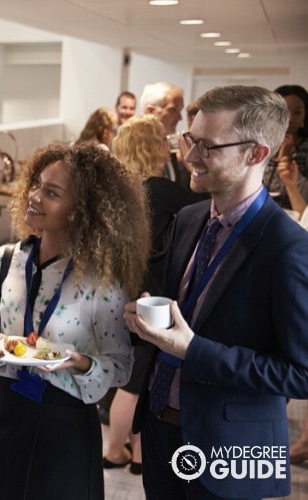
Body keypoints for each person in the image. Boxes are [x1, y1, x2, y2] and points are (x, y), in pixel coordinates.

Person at [125, 85, 308, 499]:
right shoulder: (190, 218)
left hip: (230, 453)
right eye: (190, 140)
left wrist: (195, 351)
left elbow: (301, 373)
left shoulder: (289, 249)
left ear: (256, 154)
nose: (188, 157)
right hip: (159, 432)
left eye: (206, 146)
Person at [0, 143, 150, 499]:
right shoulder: (4, 262)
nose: (34, 196)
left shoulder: (101, 281)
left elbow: (121, 366)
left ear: (81, 210)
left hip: (66, 425)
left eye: (51, 192)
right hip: (7, 414)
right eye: (36, 184)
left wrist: (79, 362)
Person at [106, 115, 207, 476]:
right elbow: (206, 206)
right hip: (153, 293)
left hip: (125, 288)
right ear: (155, 147)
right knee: (138, 381)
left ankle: (126, 451)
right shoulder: (164, 190)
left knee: (134, 377)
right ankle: (123, 451)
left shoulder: (121, 190)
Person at [262, 84, 308, 211]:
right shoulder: (262, 145)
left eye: (297, 112)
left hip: (296, 220)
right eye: (284, 112)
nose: (290, 119)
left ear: (305, 115)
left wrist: (286, 156)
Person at [140, 81, 190, 189]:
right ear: (150, 111)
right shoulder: (134, 150)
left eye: (180, 111)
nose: (179, 118)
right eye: (173, 110)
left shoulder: (169, 145)